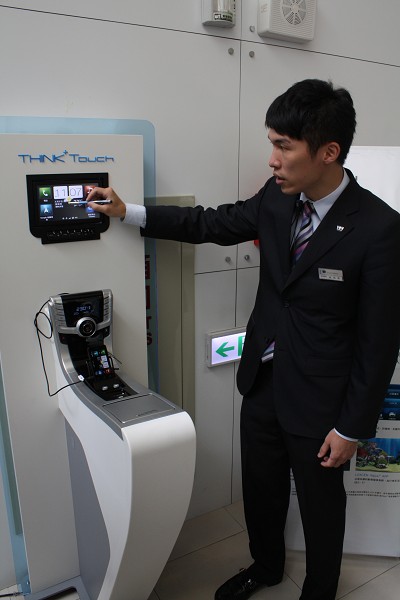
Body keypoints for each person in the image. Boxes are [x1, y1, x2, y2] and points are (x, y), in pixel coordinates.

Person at [87, 79, 400, 600]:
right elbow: (210, 223)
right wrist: (129, 212)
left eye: (284, 146)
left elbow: (379, 341)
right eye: (271, 143)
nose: (272, 159)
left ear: (328, 152)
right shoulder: (277, 200)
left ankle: (320, 590)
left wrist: (351, 426)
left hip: (322, 397)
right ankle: (266, 566)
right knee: (261, 487)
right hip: (263, 378)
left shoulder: (380, 228)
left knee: (321, 504)